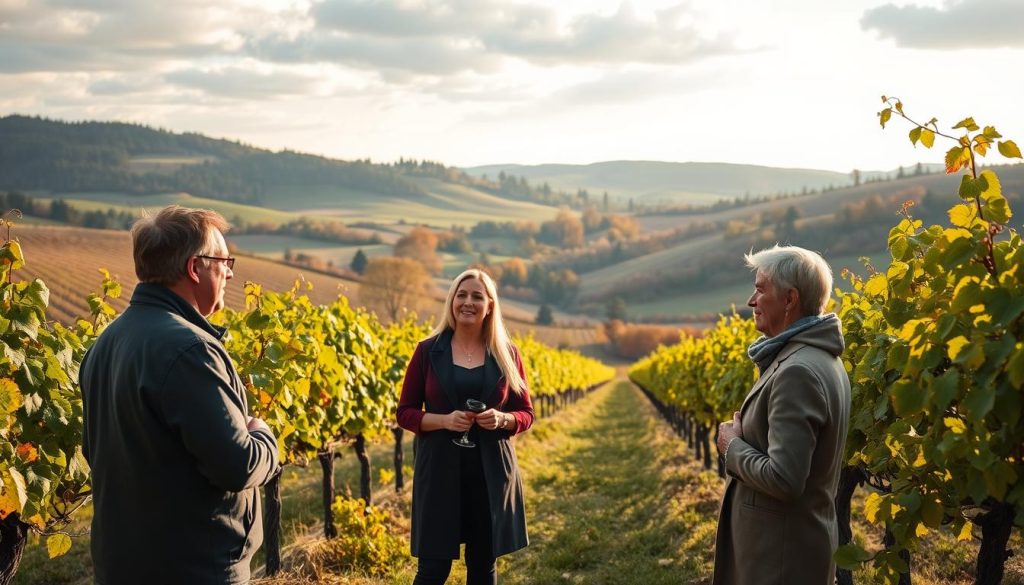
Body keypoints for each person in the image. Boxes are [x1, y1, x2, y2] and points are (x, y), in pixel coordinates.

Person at [79, 205, 280, 585]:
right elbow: (238, 465)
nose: (230, 272)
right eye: (224, 260)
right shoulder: (191, 351)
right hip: (193, 568)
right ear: (195, 267)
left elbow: (96, 451)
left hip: (122, 564)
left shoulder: (106, 343)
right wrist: (264, 434)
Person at [712, 245, 852, 585]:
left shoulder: (798, 371)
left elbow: (784, 479)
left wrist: (731, 446)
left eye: (761, 289)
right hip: (787, 549)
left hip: (779, 558)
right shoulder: (818, 359)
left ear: (790, 299)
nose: (751, 300)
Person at [396, 268, 534, 585]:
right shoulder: (428, 351)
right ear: (452, 302)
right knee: (432, 570)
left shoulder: (507, 354)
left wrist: (503, 419)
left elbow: (525, 413)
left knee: (482, 569)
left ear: (489, 306)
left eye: (476, 296)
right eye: (461, 294)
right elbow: (405, 413)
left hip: (490, 475)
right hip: (440, 472)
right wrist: (444, 420)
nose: (467, 302)